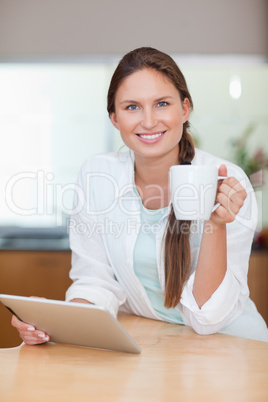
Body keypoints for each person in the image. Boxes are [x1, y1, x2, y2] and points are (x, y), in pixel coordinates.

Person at [12, 47, 268, 344]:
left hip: (234, 346)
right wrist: (58, 323)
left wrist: (217, 223)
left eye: (161, 103)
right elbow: (96, 281)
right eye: (132, 107)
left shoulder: (226, 180)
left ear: (185, 109)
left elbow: (210, 318)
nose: (148, 121)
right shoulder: (98, 176)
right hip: (156, 341)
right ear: (114, 118)